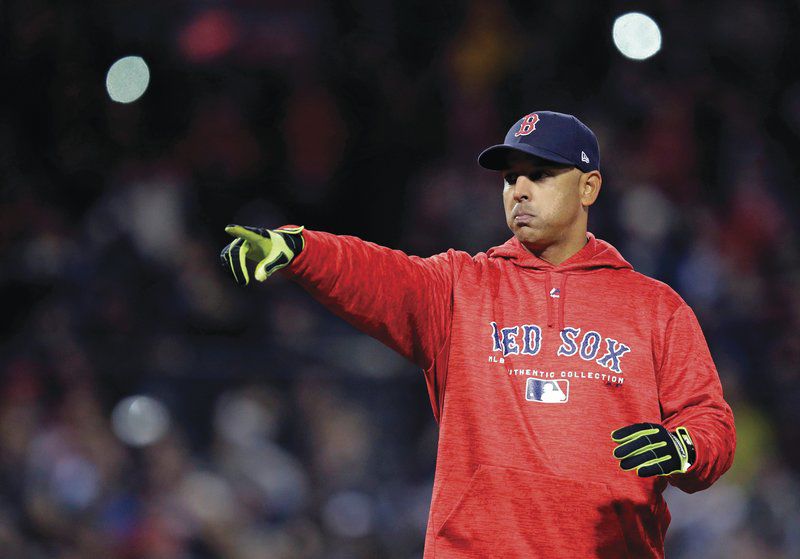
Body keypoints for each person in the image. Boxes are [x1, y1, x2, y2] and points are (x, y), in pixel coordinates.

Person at [220, 111, 736, 558]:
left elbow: (709, 420)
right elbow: (381, 275)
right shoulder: (461, 286)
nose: (520, 190)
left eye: (540, 173)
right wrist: (302, 249)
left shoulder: (653, 307)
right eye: (510, 178)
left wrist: (683, 447)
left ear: (588, 187)